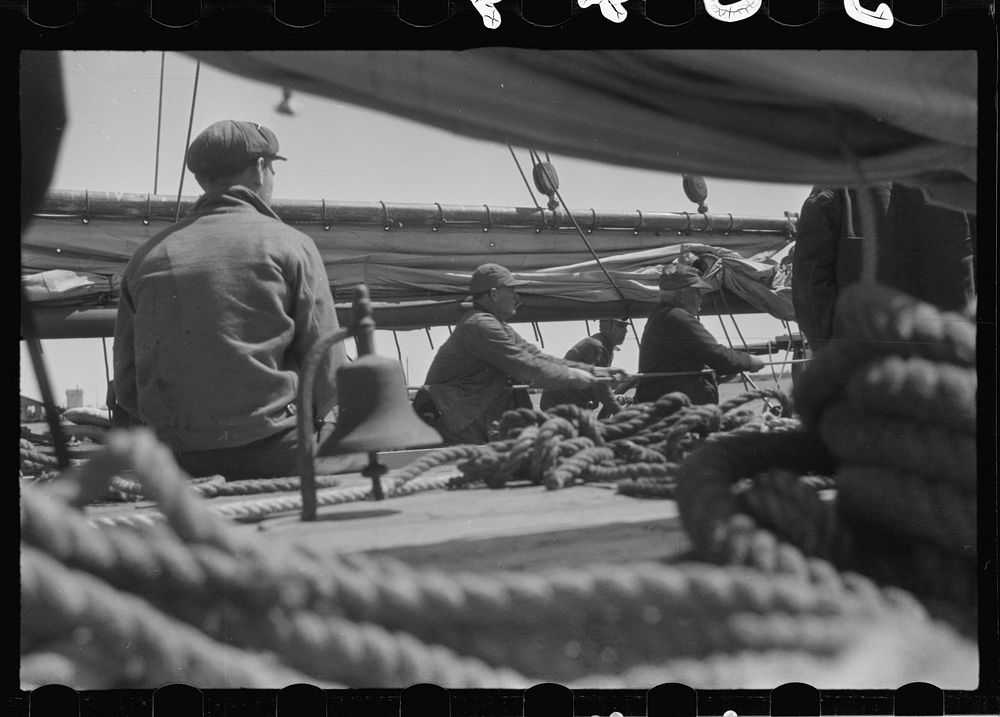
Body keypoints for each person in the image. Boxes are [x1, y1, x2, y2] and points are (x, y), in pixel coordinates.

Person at [113, 119, 362, 479]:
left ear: (201, 179)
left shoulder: (146, 257)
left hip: (177, 464)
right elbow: (328, 370)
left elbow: (126, 385)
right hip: (279, 454)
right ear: (261, 169)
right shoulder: (291, 245)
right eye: (272, 167)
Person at [415, 264, 626, 444]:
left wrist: (596, 371)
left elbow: (538, 357)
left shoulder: (496, 325)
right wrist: (580, 378)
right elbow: (529, 369)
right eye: (511, 291)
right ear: (494, 293)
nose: (517, 297)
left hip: (467, 420)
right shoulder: (480, 326)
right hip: (453, 422)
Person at [792, 181, 975, 350]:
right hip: (949, 353)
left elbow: (809, 277)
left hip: (863, 359)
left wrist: (827, 347)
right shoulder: (956, 178)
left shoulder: (839, 175)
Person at [634, 264, 765, 405]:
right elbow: (717, 355)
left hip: (667, 408)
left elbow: (683, 365)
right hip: (676, 415)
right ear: (681, 294)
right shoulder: (677, 317)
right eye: (697, 292)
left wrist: (714, 375)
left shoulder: (662, 316)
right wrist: (750, 362)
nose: (701, 298)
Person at [540, 318, 629, 414]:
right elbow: (599, 385)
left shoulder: (605, 347)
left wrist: (614, 398)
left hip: (571, 403)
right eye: (620, 326)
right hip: (559, 403)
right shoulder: (596, 346)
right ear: (605, 326)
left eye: (626, 327)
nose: (625, 330)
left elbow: (598, 385)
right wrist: (619, 413)